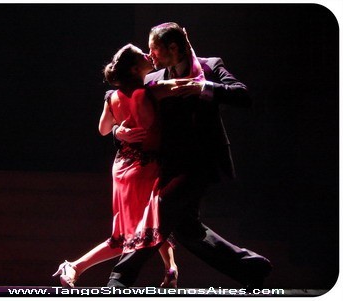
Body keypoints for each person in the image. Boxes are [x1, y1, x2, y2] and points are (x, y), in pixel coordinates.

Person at [107, 22, 272, 289]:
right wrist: (118, 133)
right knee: (187, 230)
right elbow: (117, 103)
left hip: (201, 163)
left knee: (160, 212)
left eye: (154, 49)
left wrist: (203, 88)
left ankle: (121, 278)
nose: (150, 56)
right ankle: (250, 266)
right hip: (169, 164)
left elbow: (242, 95)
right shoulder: (153, 79)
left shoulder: (209, 67)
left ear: (173, 47)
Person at [53, 44, 179, 288]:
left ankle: (170, 268)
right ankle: (76, 266)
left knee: (147, 224)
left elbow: (103, 129)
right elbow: (150, 131)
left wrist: (119, 130)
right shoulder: (144, 94)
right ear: (134, 68)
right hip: (144, 166)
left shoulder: (112, 96)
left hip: (122, 166)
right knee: (146, 226)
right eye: (144, 55)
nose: (148, 56)